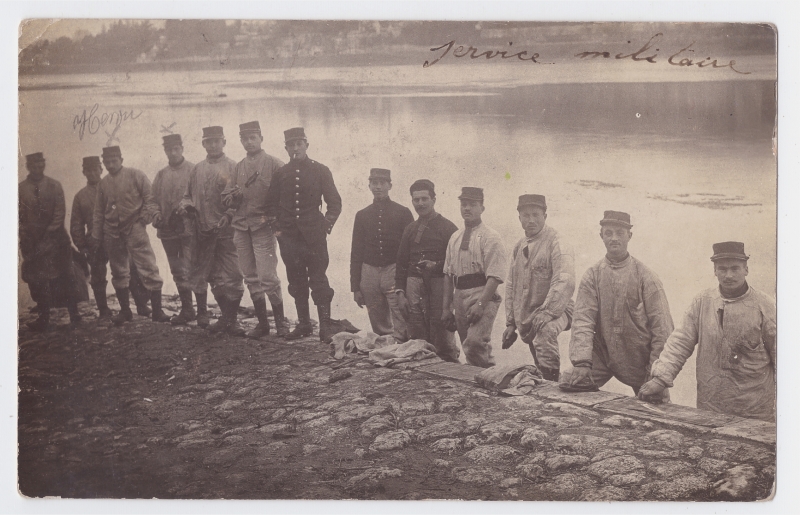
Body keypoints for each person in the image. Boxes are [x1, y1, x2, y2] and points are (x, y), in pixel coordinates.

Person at [640, 242, 776, 421]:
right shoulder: (702, 302)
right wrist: (660, 379)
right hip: (711, 405)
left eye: (735, 268)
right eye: (722, 269)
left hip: (755, 408)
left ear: (746, 269)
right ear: (715, 271)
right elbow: (680, 342)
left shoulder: (766, 305)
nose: (728, 275)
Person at [562, 210, 673, 400]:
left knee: (658, 408)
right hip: (603, 356)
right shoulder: (592, 275)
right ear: (601, 236)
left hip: (640, 360)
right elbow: (582, 320)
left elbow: (662, 328)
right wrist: (582, 362)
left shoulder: (647, 277)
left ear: (629, 236)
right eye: (608, 233)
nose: (614, 238)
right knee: (567, 382)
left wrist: (656, 374)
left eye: (620, 233)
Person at [265, 127, 344, 343]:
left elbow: (334, 202)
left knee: (318, 278)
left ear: (306, 145)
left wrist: (325, 225)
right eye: (291, 145)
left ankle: (325, 326)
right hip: (289, 238)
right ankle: (304, 324)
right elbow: (270, 206)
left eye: (299, 143)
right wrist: (278, 231)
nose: (295, 148)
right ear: (286, 148)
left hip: (314, 237)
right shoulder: (281, 174)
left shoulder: (321, 170)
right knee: (295, 280)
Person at [222, 121, 288, 338]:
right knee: (250, 276)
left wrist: (276, 220)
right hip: (241, 227)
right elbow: (226, 197)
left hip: (263, 227)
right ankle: (262, 324)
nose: (249, 142)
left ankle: (281, 323)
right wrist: (233, 197)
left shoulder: (275, 164)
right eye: (245, 139)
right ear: (240, 141)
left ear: (261, 138)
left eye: (253, 138)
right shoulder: (238, 167)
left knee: (268, 276)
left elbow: (285, 198)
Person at [91, 146, 170, 326]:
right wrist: (96, 236)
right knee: (119, 271)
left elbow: (151, 198)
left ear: (121, 159)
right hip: (111, 232)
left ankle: (157, 311)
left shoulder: (136, 175)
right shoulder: (103, 184)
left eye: (114, 161)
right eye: (107, 162)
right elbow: (98, 212)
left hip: (135, 228)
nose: (111, 165)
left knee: (148, 267)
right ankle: (125, 311)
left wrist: (144, 218)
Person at [177, 126, 245, 335]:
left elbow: (240, 200)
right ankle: (225, 318)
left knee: (234, 274)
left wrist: (229, 215)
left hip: (227, 232)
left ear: (224, 142)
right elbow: (187, 196)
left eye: (217, 141)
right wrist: (186, 206)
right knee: (212, 275)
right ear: (203, 144)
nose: (213, 145)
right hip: (203, 231)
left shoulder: (234, 167)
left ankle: (232, 320)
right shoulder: (197, 169)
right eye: (209, 141)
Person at [502, 194, 575, 381]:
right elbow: (511, 285)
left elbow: (564, 280)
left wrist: (548, 312)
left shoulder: (557, 241)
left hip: (560, 310)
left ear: (545, 216)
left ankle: (552, 386)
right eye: (526, 215)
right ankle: (545, 380)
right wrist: (511, 323)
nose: (531, 220)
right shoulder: (519, 246)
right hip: (530, 314)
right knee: (538, 357)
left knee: (545, 331)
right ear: (519, 218)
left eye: (536, 214)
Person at [442, 187, 507, 368]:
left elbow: (495, 275)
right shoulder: (454, 237)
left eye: (473, 204)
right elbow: (448, 274)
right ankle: (477, 384)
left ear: (482, 208)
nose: (467, 208)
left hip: (483, 293)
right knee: (466, 345)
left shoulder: (491, 236)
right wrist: (446, 308)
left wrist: (481, 304)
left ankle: (490, 378)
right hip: (459, 294)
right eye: (464, 204)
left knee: (476, 343)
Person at [395, 180, 458, 361]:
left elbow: (454, 263)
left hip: (439, 284)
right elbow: (401, 263)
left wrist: (435, 265)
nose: (420, 204)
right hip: (413, 285)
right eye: (416, 200)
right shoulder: (410, 229)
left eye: (424, 199)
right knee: (416, 332)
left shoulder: (448, 228)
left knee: (441, 331)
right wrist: (400, 293)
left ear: (434, 199)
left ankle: (449, 364)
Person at [350, 168, 414, 341]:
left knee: (401, 315)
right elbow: (356, 251)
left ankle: (402, 346)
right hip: (369, 272)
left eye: (382, 183)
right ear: (369, 185)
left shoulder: (403, 212)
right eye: (374, 183)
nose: (378, 187)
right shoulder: (362, 215)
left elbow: (410, 250)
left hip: (393, 270)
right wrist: (355, 287)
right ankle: (385, 348)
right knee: (377, 319)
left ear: (389, 185)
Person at [19, 152, 80, 330]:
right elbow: (18, 216)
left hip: (57, 240)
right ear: (28, 167)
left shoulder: (54, 186)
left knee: (66, 275)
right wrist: (26, 236)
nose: (38, 168)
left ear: (44, 164)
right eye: (34, 165)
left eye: (41, 164)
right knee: (37, 279)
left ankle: (74, 313)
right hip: (32, 242)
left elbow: (59, 213)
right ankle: (43, 317)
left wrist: (49, 234)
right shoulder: (20, 189)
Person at [151, 134, 203, 326]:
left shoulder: (193, 170)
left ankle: (202, 311)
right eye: (168, 149)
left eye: (176, 149)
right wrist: (156, 215)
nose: (173, 153)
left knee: (193, 267)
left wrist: (188, 208)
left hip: (189, 230)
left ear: (182, 148)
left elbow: (201, 197)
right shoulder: (161, 175)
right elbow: (151, 200)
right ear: (165, 151)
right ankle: (187, 309)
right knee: (176, 270)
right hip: (167, 231)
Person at [71, 156, 113, 318]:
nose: (92, 173)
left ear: (101, 170)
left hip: (115, 237)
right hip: (94, 242)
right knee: (98, 275)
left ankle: (134, 307)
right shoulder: (80, 196)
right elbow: (76, 224)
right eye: (88, 170)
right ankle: (103, 309)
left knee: (126, 270)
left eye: (95, 169)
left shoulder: (111, 188)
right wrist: (82, 246)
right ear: (84, 172)